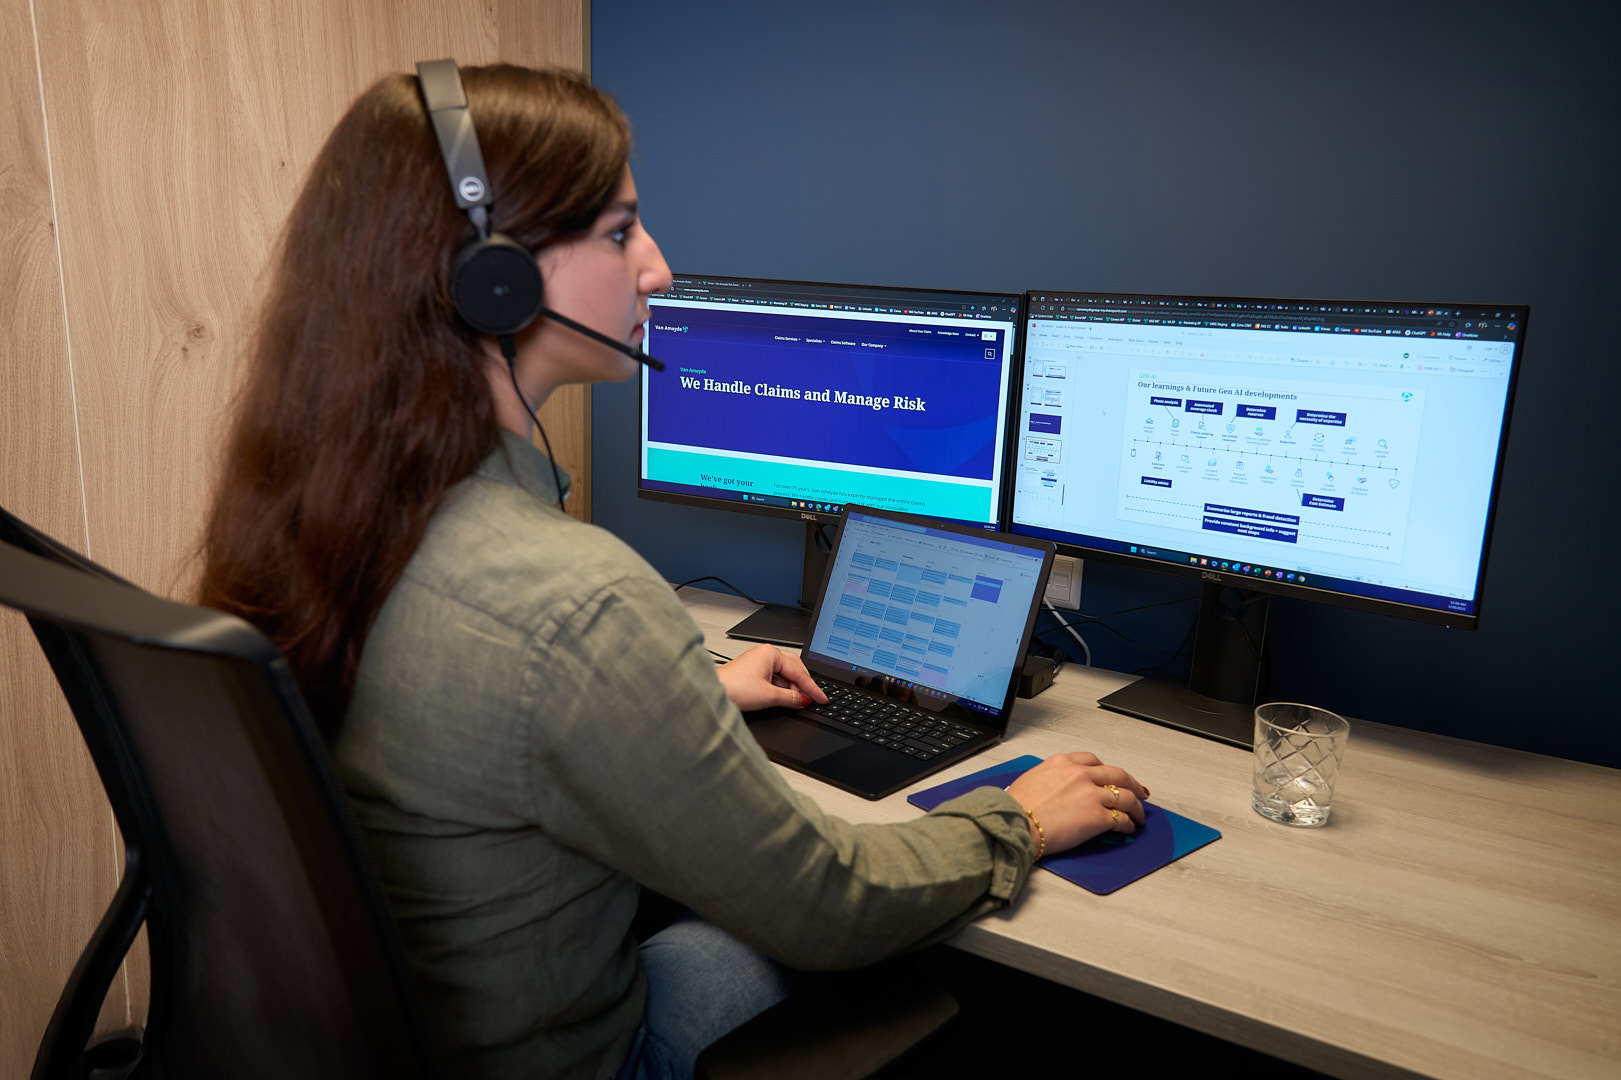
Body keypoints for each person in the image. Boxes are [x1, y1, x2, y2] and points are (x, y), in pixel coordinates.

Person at [199, 63, 1149, 1080]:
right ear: (493, 279)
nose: (657, 267)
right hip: (579, 1058)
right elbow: (826, 903)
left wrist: (672, 696)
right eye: (620, 233)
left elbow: (462, 722)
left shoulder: (322, 520)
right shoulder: (576, 602)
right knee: (920, 963)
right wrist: (1016, 821)